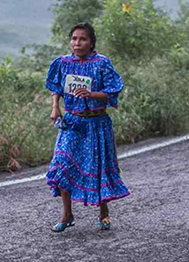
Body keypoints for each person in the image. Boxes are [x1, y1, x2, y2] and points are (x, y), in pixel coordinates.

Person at [45, 22, 130, 232]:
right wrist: (56, 107)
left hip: (97, 123)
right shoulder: (63, 63)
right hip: (72, 122)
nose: (77, 43)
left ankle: (103, 213)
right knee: (62, 164)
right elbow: (56, 86)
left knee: (97, 166)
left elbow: (113, 90)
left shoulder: (102, 63)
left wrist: (91, 94)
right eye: (74, 39)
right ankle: (67, 215)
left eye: (82, 39)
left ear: (91, 42)